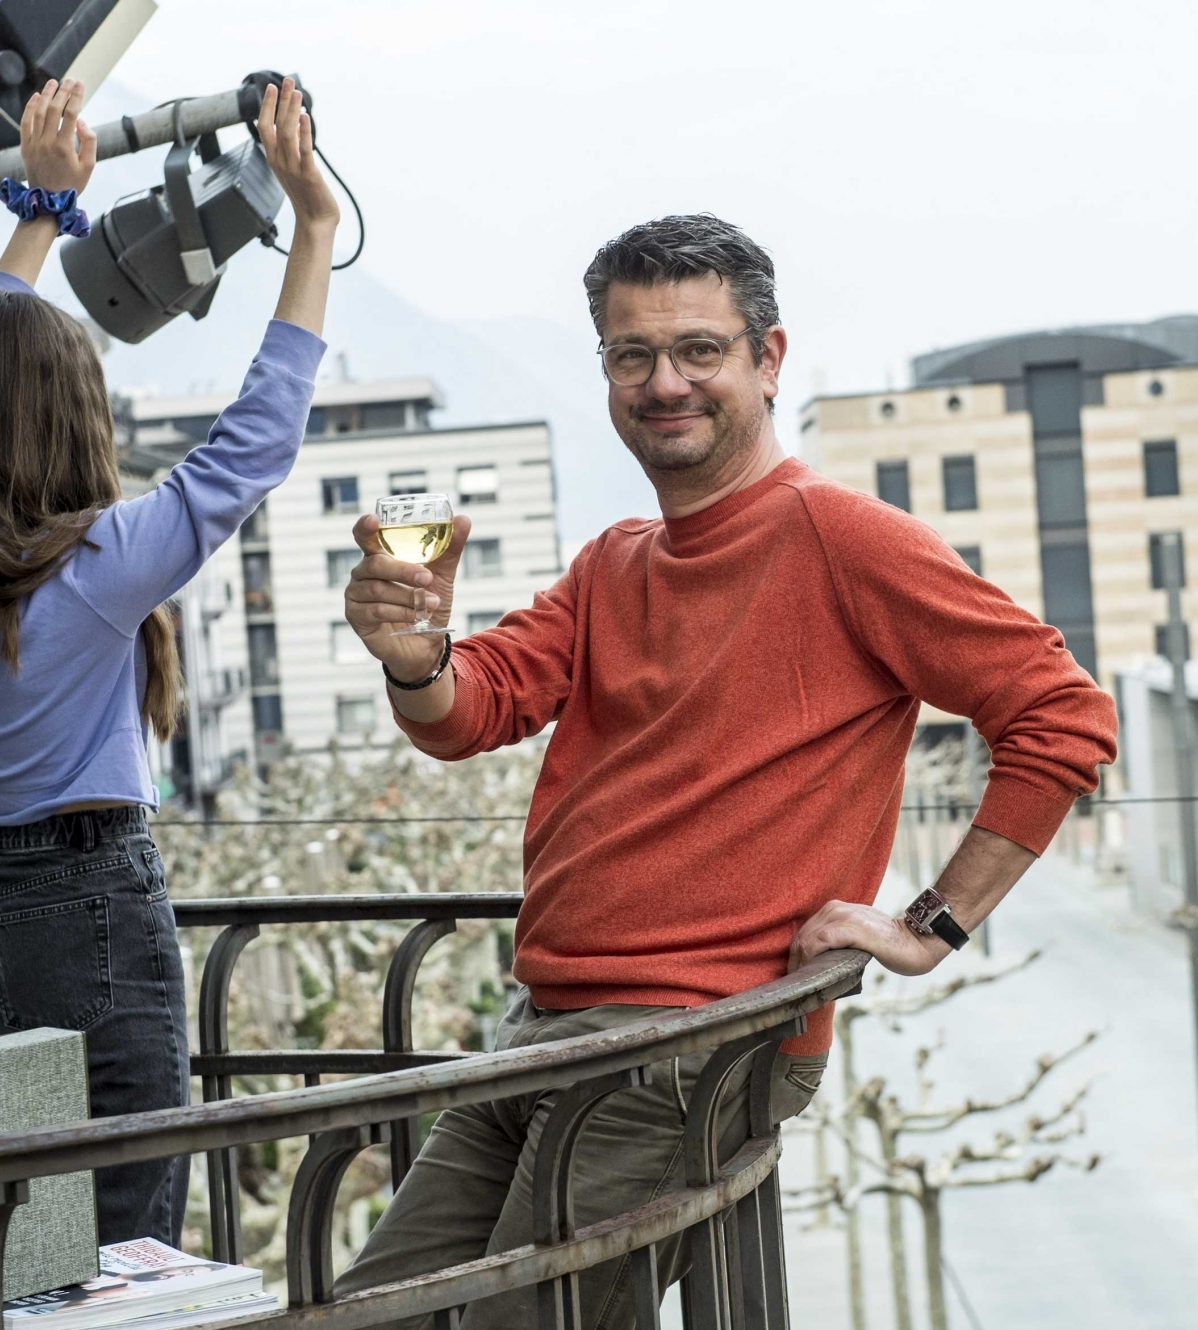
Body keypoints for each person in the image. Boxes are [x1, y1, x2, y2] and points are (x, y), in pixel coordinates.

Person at [335, 214, 1119, 1324]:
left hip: (681, 1053)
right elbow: (474, 707)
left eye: (698, 349)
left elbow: (1062, 715)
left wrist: (927, 925)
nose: (664, 382)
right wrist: (415, 664)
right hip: (544, 1027)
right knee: (364, 1312)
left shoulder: (844, 537)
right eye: (630, 354)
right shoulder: (614, 561)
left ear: (767, 359)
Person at [0, 76, 340, 1245]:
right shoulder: (95, 568)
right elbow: (253, 441)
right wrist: (311, 228)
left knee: (16, 1251)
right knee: (124, 1250)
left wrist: (39, 213)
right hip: (88, 917)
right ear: (77, 418)